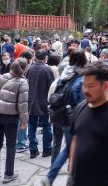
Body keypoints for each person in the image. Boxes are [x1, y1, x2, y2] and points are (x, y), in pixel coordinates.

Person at [38, 49, 87, 186]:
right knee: (76, 148)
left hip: (63, 115)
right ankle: (71, 177)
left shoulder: (65, 74)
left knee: (68, 148)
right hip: (76, 117)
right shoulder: (81, 77)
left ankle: (51, 176)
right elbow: (81, 100)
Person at [0, 58, 29, 184]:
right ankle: (9, 174)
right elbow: (23, 104)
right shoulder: (23, 82)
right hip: (11, 118)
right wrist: (24, 121)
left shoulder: (4, 77)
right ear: (24, 68)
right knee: (11, 146)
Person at [26, 49, 54, 159]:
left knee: (32, 126)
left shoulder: (30, 69)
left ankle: (33, 149)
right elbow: (51, 86)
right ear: (45, 58)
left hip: (32, 101)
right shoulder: (47, 69)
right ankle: (47, 149)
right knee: (47, 125)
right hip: (44, 102)